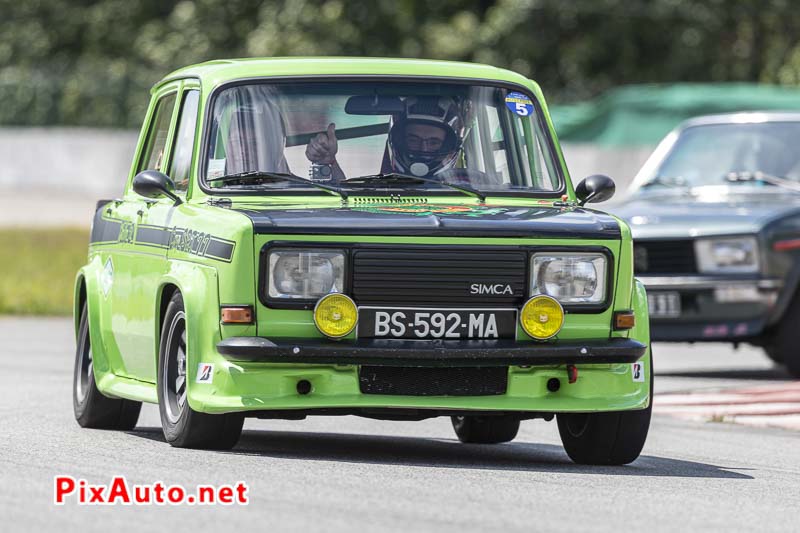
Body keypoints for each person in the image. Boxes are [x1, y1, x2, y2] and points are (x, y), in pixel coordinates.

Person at [305, 96, 464, 181]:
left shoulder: (477, 188)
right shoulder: (383, 187)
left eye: (433, 142)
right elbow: (344, 205)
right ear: (399, 140)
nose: (424, 149)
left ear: (449, 145)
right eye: (413, 140)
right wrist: (328, 162)